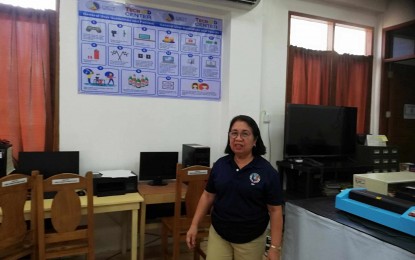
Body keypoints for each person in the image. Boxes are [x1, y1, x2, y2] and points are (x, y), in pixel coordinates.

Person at [186, 115, 284, 260]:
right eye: (234, 133)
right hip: (219, 234)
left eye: (245, 133)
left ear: (255, 140)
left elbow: (275, 210)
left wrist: (275, 248)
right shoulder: (220, 165)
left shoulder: (267, 172)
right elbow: (207, 196)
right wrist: (194, 225)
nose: (238, 138)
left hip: (250, 238)